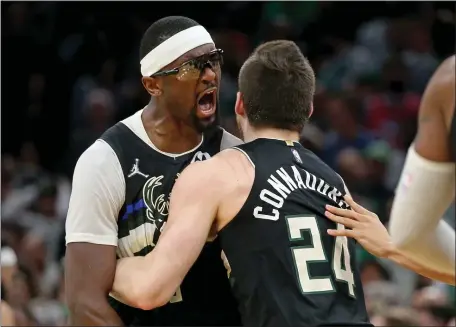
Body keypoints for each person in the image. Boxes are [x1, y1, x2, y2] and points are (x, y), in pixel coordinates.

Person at [109, 40, 372, 327]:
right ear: (308, 110)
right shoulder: (337, 183)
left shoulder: (222, 172)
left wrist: (102, 265)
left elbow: (150, 289)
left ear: (239, 104)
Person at [64, 16, 242, 326]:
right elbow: (85, 303)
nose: (211, 75)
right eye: (192, 67)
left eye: (214, 60)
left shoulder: (233, 155)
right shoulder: (105, 161)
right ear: (152, 84)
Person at [323, 56, 456, 285]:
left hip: (384, 196)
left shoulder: (447, 82)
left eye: (341, 114)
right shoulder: (330, 144)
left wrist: (391, 247)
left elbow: (409, 235)